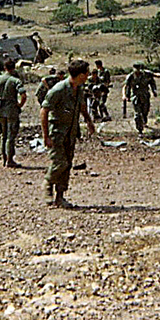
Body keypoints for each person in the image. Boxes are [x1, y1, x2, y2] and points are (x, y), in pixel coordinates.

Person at [40, 59, 96, 208]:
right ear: (79, 74)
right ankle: (48, 182)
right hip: (57, 133)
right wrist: (45, 136)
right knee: (60, 163)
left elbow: (82, 106)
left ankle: (60, 196)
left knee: (67, 165)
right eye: (86, 73)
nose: (88, 76)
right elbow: (44, 111)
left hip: (71, 133)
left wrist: (89, 122)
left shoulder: (79, 88)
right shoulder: (58, 90)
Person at [0, 58, 27, 168]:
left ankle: (4, 158)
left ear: (4, 68)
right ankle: (10, 160)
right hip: (12, 109)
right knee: (11, 135)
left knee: (3, 135)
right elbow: (23, 95)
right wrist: (20, 105)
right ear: (13, 68)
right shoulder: (15, 80)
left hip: (1, 109)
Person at [123, 62, 158, 134]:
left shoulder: (146, 74)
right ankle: (140, 129)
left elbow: (152, 82)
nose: (137, 71)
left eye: (138, 68)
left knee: (145, 111)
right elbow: (127, 86)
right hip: (136, 97)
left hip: (145, 96)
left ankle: (144, 121)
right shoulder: (130, 76)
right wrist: (127, 95)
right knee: (138, 113)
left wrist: (154, 91)